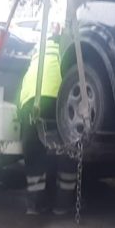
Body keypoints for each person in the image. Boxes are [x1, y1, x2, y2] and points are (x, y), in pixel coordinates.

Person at [17, 38, 78, 215]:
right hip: (57, 101)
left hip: (29, 101)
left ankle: (34, 205)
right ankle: (63, 205)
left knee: (34, 153)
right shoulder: (67, 48)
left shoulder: (38, 52)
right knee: (68, 150)